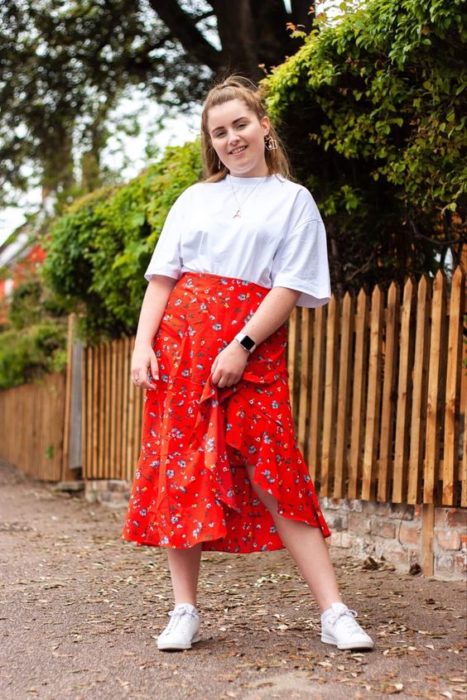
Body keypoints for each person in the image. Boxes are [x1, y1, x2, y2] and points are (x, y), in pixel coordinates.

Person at [121, 75, 374, 653]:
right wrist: (143, 346)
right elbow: (163, 279)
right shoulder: (193, 199)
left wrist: (242, 346)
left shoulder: (293, 200)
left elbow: (290, 285)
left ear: (264, 126)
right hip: (180, 350)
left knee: (275, 470)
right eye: (218, 132)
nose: (231, 138)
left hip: (250, 351)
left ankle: (334, 611)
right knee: (180, 468)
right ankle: (184, 609)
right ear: (210, 143)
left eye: (240, 125)